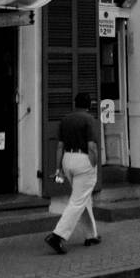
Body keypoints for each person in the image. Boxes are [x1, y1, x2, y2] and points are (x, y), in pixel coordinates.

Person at [45, 92, 101, 254]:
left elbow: (60, 146)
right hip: (83, 160)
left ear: (75, 103)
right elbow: (92, 146)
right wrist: (94, 164)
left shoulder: (65, 119)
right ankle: (57, 236)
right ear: (89, 104)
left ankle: (91, 235)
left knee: (83, 198)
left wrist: (58, 169)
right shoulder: (89, 120)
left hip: (67, 159)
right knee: (78, 201)